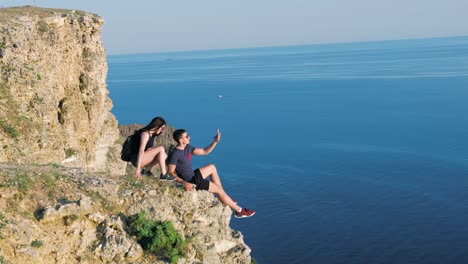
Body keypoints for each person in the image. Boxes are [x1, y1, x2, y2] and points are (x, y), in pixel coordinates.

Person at [167, 128, 255, 218]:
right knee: (219, 190)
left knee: (212, 167)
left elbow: (205, 151)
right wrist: (183, 182)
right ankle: (239, 211)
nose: (189, 137)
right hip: (191, 181)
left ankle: (224, 196)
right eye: (186, 136)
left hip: (193, 175)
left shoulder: (187, 148)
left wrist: (215, 141)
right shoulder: (175, 154)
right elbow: (170, 172)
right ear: (181, 140)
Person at [131, 116, 175, 181]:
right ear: (157, 126)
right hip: (136, 159)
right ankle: (164, 175)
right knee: (161, 148)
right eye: (161, 128)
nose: (162, 131)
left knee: (163, 155)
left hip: (143, 158)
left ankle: (146, 171)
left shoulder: (152, 135)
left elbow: (148, 150)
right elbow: (141, 150)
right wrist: (137, 169)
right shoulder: (145, 134)